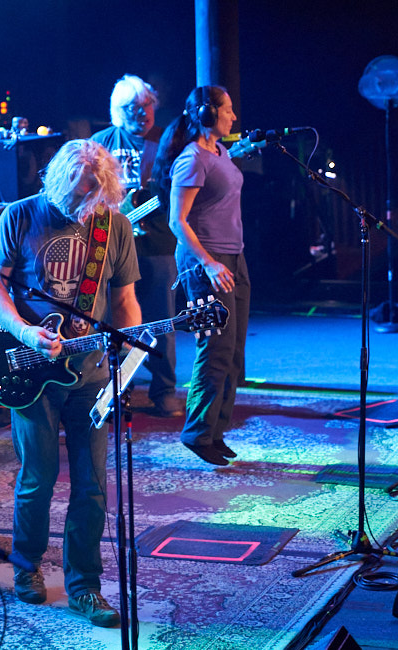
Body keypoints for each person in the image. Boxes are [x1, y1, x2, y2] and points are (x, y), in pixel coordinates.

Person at [0, 139, 142, 628]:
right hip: (31, 368)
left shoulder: (114, 226)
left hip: (90, 373)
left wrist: (128, 359)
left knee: (92, 485)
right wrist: (25, 332)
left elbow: (125, 302)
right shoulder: (21, 215)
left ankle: (85, 587)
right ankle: (26, 566)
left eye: (93, 193)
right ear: (56, 181)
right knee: (39, 476)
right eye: (75, 193)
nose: (83, 202)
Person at [151, 85, 249, 467]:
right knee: (215, 348)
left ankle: (215, 431)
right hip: (205, 262)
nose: (233, 116)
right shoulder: (191, 159)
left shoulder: (220, 151)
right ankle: (197, 433)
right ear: (207, 114)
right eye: (228, 110)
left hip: (234, 258)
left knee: (234, 351)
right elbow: (177, 221)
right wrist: (209, 263)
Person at [91, 74, 183, 418]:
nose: (143, 113)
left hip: (157, 245)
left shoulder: (168, 141)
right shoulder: (101, 143)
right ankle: (116, 392)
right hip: (112, 247)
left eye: (147, 105)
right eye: (134, 108)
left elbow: (183, 187)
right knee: (114, 323)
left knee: (161, 321)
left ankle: (164, 391)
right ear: (118, 111)